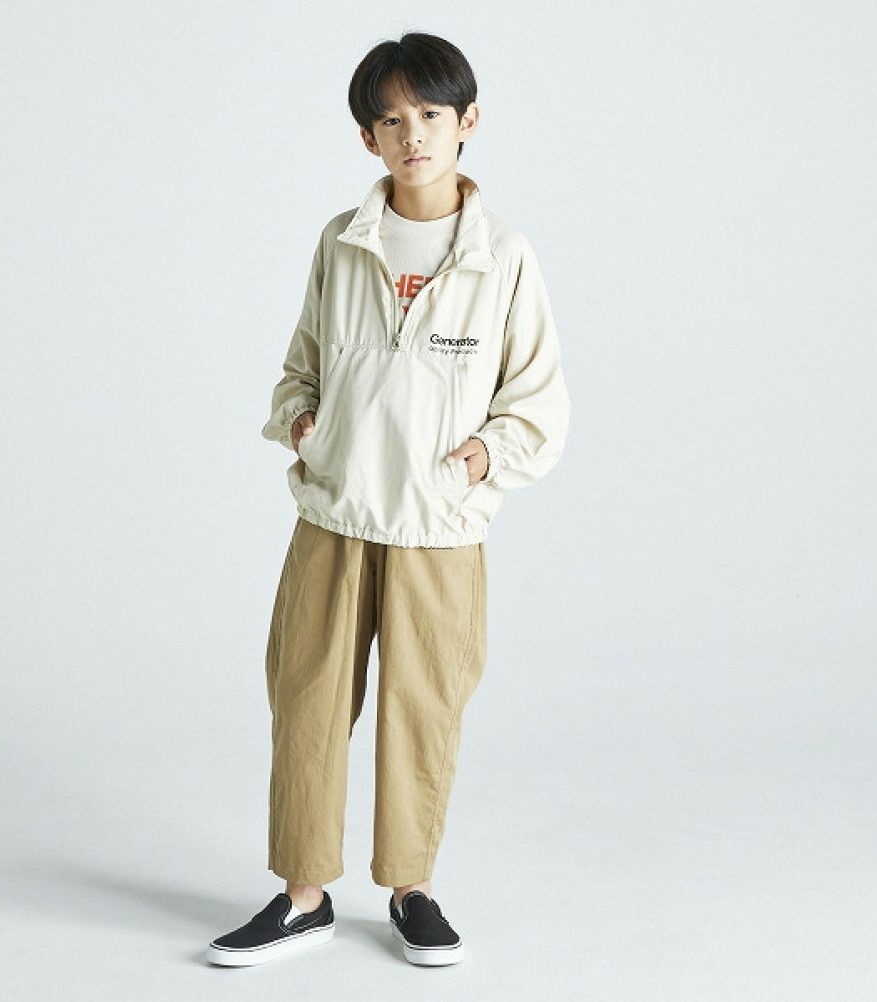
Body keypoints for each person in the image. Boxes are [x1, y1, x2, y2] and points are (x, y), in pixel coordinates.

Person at [207, 30, 570, 968]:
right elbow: (300, 366)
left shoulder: (504, 255)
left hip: (438, 528)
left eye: (430, 115)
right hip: (333, 517)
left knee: (424, 710)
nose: (413, 135)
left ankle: (412, 889)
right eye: (391, 120)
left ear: (468, 122)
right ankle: (303, 895)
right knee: (306, 700)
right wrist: (305, 425)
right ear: (368, 138)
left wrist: (480, 459)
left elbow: (537, 401)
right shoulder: (342, 241)